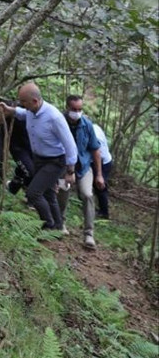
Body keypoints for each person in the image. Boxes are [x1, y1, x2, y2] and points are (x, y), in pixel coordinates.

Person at [0, 83, 77, 233]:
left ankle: (48, 225)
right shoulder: (32, 111)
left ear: (34, 101)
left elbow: (70, 145)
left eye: (24, 102)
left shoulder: (54, 117)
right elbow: (23, 113)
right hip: (39, 159)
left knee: (33, 193)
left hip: (54, 161)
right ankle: (58, 227)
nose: (22, 104)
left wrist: (70, 171)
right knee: (48, 193)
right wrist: (10, 110)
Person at [56, 95, 105, 249]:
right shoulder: (59, 121)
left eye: (79, 109)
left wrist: (99, 174)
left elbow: (96, 150)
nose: (77, 112)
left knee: (87, 194)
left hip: (83, 166)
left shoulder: (87, 125)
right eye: (74, 109)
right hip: (63, 165)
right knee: (63, 190)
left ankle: (89, 234)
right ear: (67, 108)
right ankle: (60, 223)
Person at [0, 100, 34, 195]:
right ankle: (20, 191)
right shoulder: (5, 125)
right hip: (18, 150)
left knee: (29, 172)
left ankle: (17, 187)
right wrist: (1, 177)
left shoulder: (23, 111)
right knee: (30, 172)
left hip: (33, 148)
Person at [92, 122, 113, 219]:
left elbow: (98, 154)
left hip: (103, 162)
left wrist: (99, 174)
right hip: (105, 160)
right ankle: (100, 208)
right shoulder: (95, 127)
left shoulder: (94, 134)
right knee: (97, 186)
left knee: (100, 186)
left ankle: (104, 212)